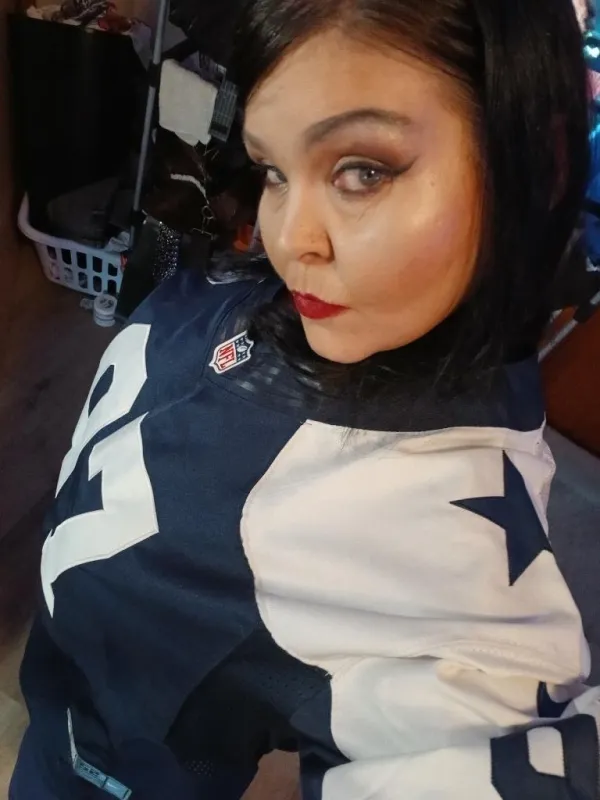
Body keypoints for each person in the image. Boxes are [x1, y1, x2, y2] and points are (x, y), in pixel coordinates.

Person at [10, 1, 600, 798]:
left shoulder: (435, 541)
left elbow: (485, 740)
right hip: (58, 713)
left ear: (541, 161)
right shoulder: (300, 295)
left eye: (363, 171)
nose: (290, 238)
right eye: (274, 171)